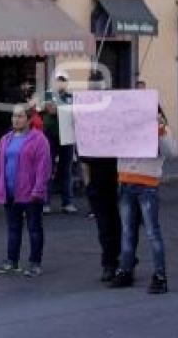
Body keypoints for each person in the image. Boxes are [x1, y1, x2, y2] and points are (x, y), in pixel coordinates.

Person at [111, 109, 178, 294]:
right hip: (125, 182)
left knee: (151, 232)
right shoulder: (126, 128)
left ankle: (159, 276)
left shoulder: (161, 129)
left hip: (147, 185)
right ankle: (126, 270)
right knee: (127, 232)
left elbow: (172, 152)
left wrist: (160, 129)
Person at [0, 105, 52, 277]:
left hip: (31, 194)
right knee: (13, 229)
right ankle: (12, 261)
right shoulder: (6, 139)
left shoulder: (39, 140)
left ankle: (35, 263)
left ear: (29, 119)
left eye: (20, 116)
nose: (15, 119)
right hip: (10, 193)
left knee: (34, 229)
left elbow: (44, 168)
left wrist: (38, 190)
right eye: (14, 116)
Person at [81, 70, 123, 283]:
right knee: (107, 226)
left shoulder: (116, 108)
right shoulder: (86, 111)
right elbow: (84, 157)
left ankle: (122, 262)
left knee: (120, 224)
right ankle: (110, 263)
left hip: (120, 178)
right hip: (100, 180)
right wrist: (88, 183)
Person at [41, 73, 77, 215]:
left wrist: (62, 109)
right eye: (58, 80)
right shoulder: (49, 95)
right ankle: (45, 203)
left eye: (63, 80)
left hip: (67, 135)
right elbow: (50, 109)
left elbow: (75, 112)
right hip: (50, 135)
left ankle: (67, 203)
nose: (61, 83)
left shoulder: (71, 96)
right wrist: (67, 109)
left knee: (66, 170)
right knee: (48, 169)